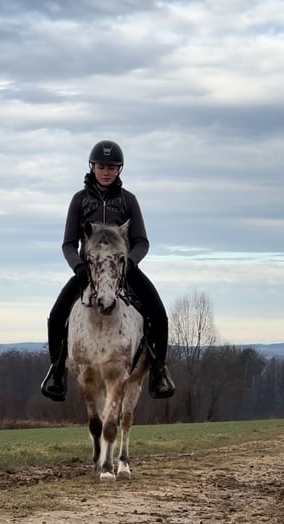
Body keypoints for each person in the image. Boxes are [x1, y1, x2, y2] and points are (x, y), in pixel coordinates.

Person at [40, 140, 176, 402]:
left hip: (124, 270)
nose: (106, 172)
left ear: (119, 170)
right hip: (88, 272)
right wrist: (78, 267)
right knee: (56, 316)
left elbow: (142, 241)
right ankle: (56, 372)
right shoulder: (79, 201)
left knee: (159, 315)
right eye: (101, 166)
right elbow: (68, 243)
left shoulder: (129, 201)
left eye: (111, 167)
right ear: (92, 167)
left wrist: (132, 262)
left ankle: (159, 372)